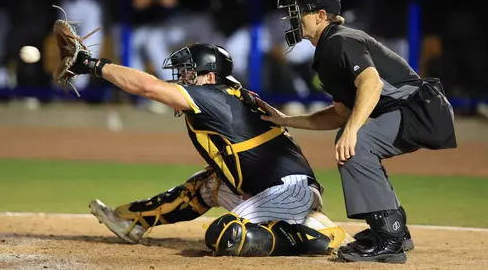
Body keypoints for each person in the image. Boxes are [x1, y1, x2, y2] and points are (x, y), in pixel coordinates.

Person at [60, 42, 353, 256]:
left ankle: (317, 236)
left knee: (227, 236)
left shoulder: (214, 95)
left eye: (189, 74)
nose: (182, 80)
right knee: (206, 185)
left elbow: (147, 87)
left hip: (288, 193)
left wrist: (92, 65)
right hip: (273, 189)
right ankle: (133, 222)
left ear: (210, 77)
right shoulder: (229, 94)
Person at [264, 0, 457, 263]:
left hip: (420, 109)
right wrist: (286, 119)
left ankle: (388, 239)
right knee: (352, 137)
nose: (292, 18)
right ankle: (394, 230)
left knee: (357, 143)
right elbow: (341, 113)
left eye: (297, 12)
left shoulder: (341, 39)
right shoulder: (328, 47)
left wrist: (352, 131)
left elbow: (371, 83)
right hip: (414, 108)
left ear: (320, 16)